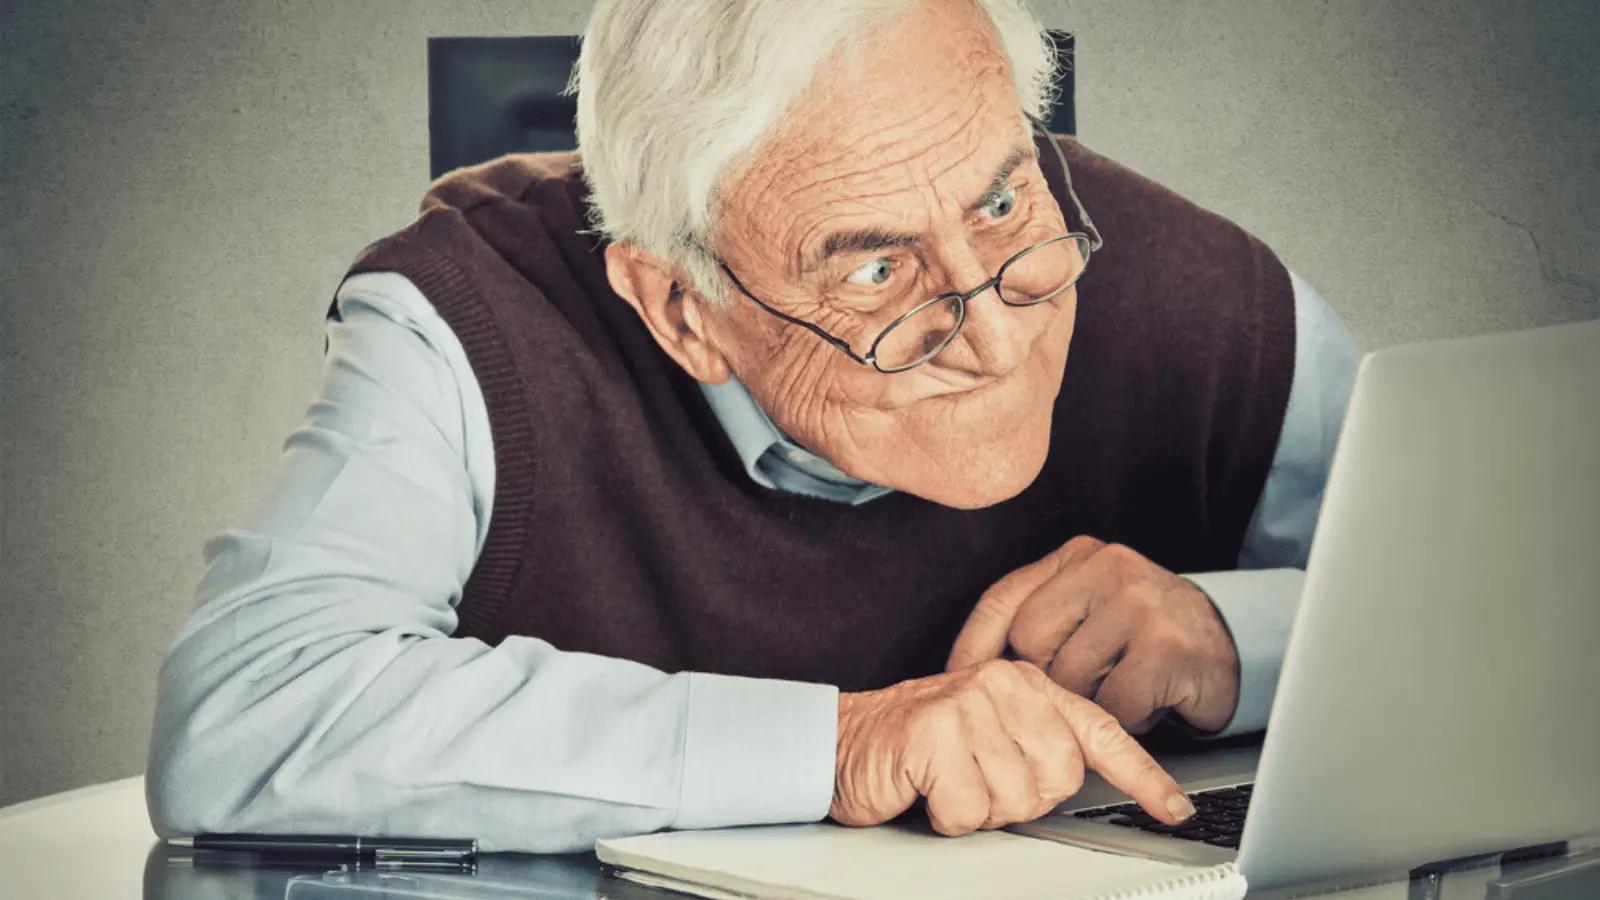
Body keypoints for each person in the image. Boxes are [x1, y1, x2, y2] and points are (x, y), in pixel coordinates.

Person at [146, 0, 1361, 853]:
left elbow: (1532, 615)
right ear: (686, 311)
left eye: (1000, 201)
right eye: (876, 274)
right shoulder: (465, 321)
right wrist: (829, 749)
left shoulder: (1205, 292)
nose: (995, 336)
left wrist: (1237, 634)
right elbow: (249, 714)